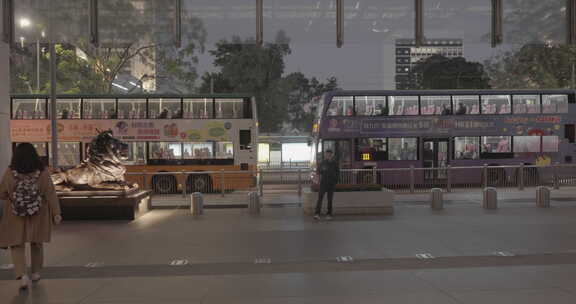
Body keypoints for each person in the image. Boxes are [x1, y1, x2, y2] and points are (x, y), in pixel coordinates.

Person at [0, 143, 62, 290]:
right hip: (38, 211)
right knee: (36, 242)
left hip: (15, 212)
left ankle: (22, 275)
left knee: (17, 244)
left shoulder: (10, 172)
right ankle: (35, 272)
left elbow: (2, 193)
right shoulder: (43, 172)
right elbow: (50, 193)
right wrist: (56, 212)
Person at [314, 150, 339, 220]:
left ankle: (329, 214)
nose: (328, 155)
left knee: (330, 199)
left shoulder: (335, 163)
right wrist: (317, 180)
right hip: (323, 184)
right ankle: (317, 213)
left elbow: (338, 173)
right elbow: (318, 172)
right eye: (327, 154)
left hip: (331, 184)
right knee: (320, 198)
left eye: (330, 154)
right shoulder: (322, 163)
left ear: (332, 155)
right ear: (325, 155)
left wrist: (335, 181)